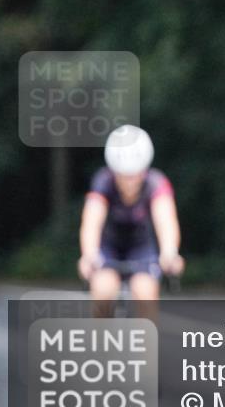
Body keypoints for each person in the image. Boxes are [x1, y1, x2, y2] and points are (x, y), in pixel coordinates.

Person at [78, 125, 184, 318]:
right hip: (109, 247)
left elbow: (166, 221)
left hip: (142, 248)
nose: (129, 182)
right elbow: (91, 222)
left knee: (145, 293)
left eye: (135, 175)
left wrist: (170, 252)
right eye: (123, 176)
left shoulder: (156, 182)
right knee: (103, 290)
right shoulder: (103, 181)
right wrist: (88, 254)